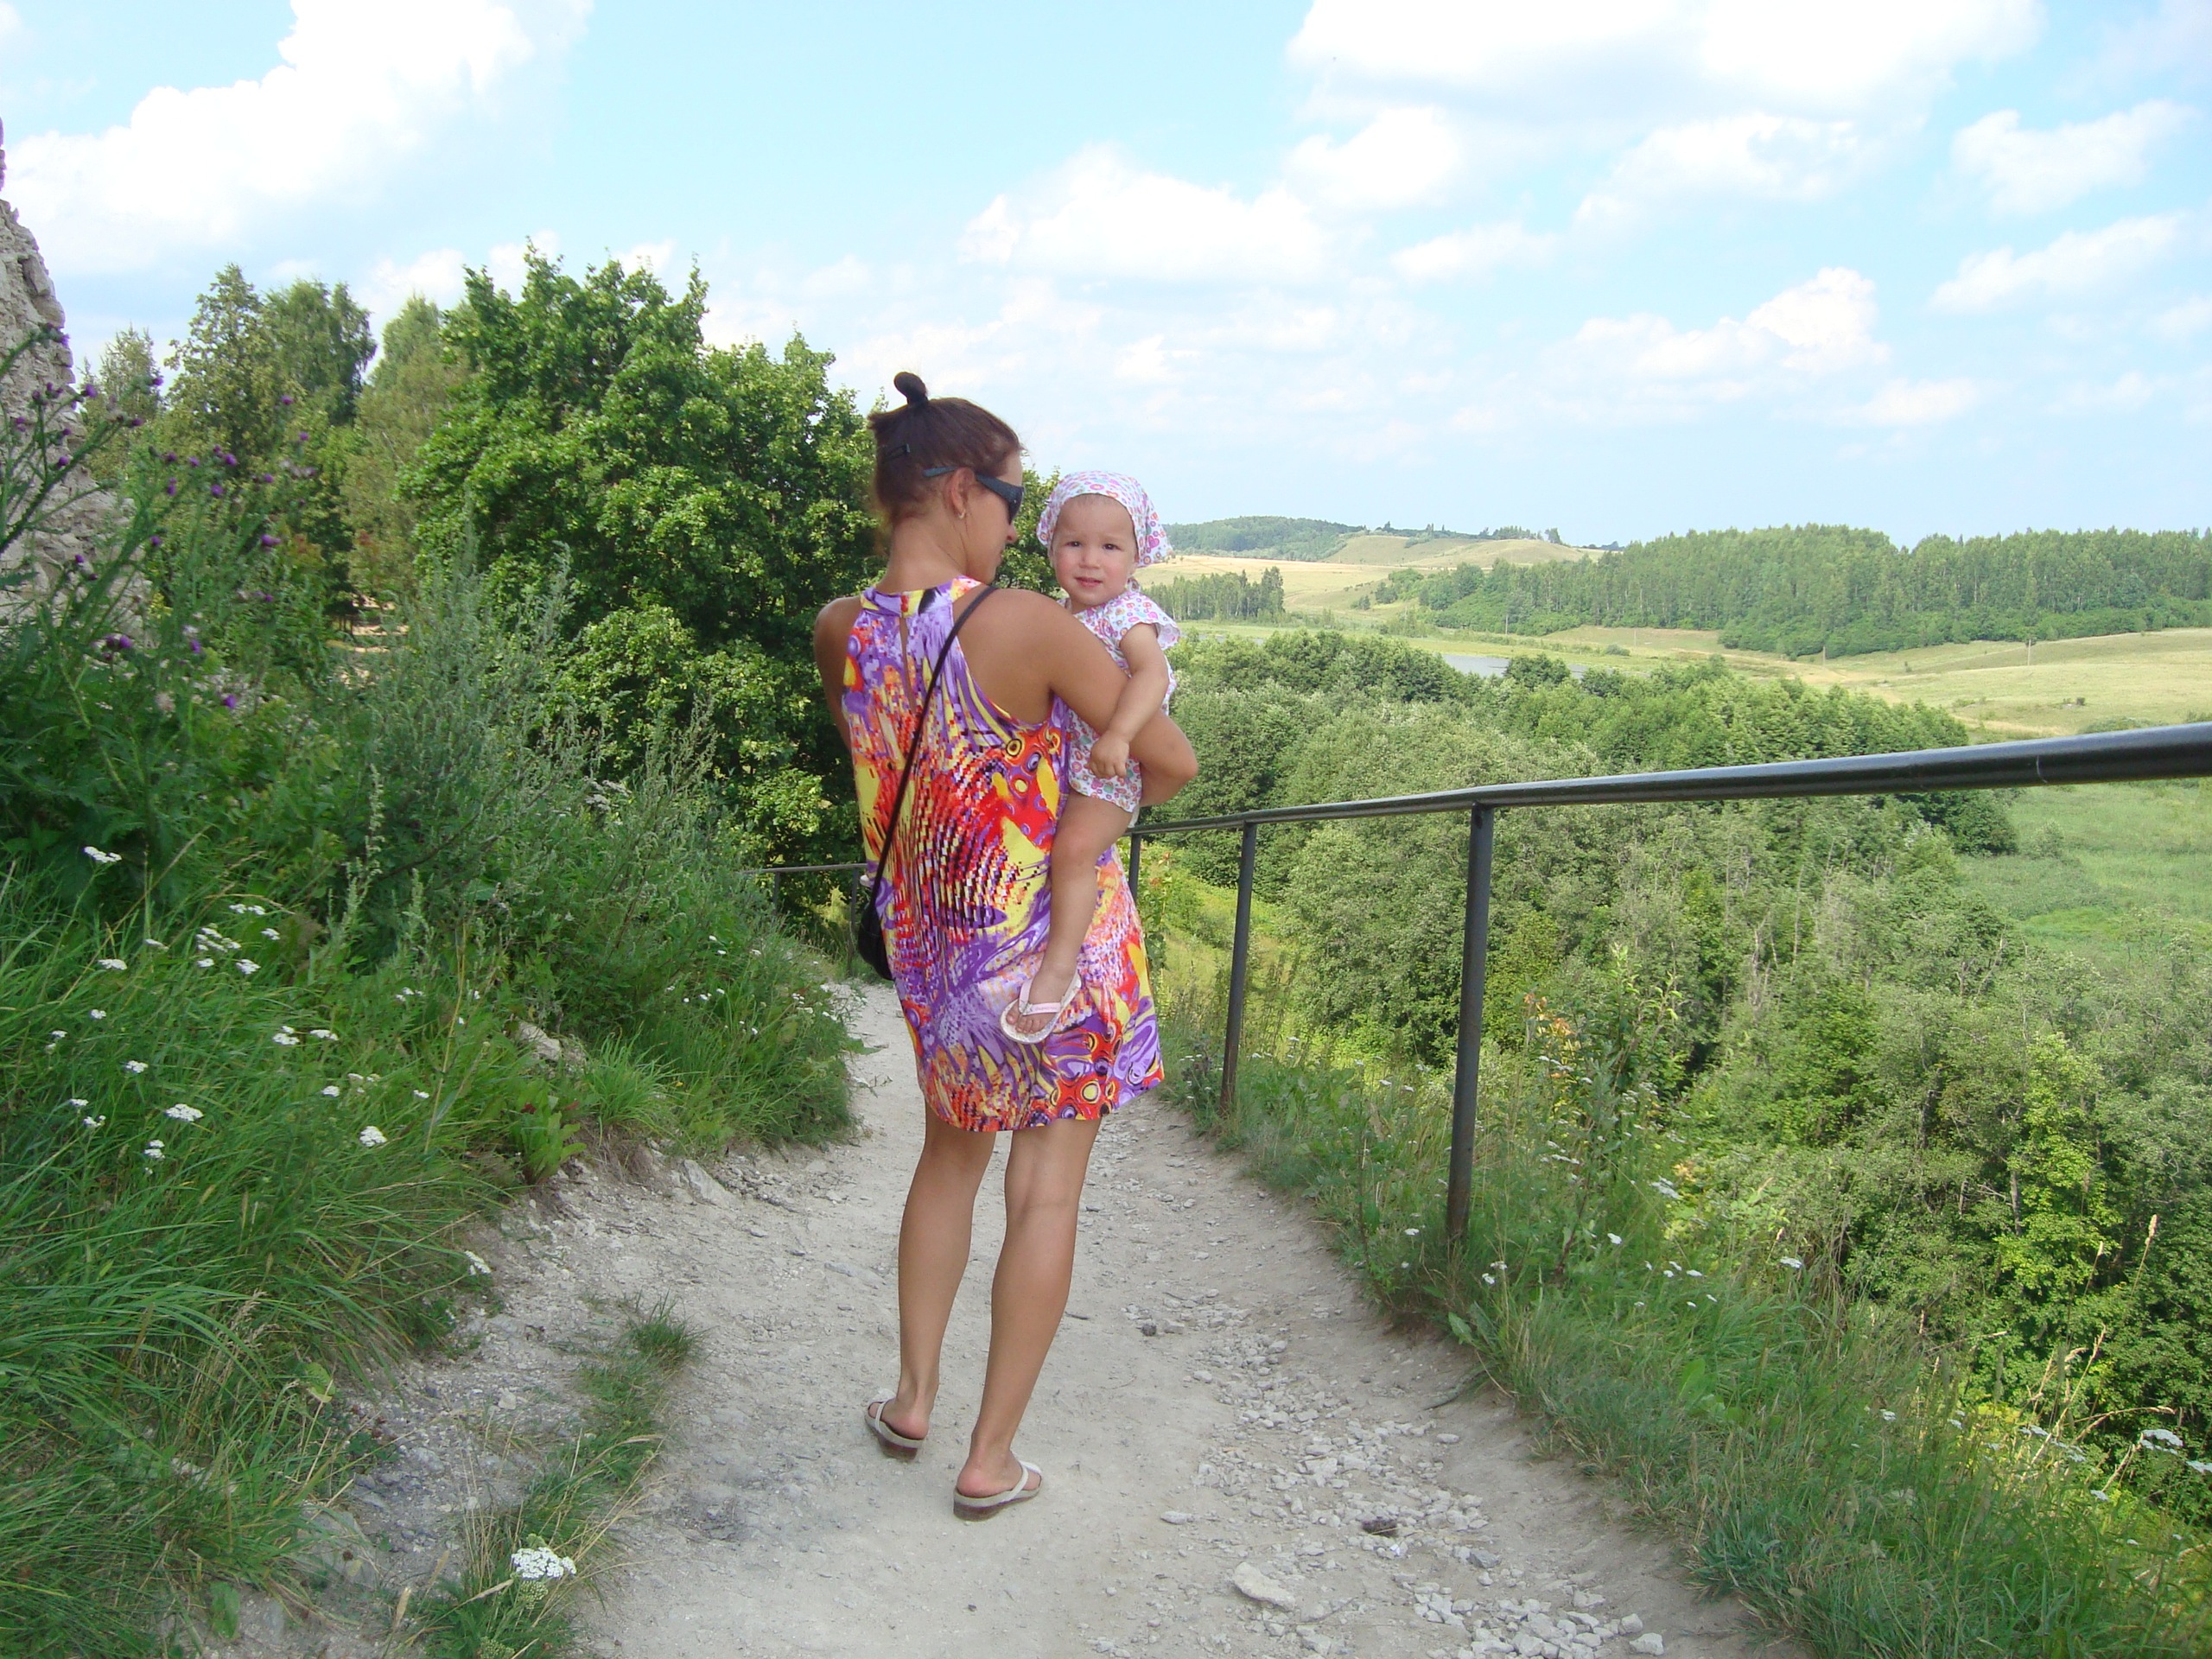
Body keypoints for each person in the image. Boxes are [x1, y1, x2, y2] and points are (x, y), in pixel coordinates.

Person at [810, 372, 1198, 1519]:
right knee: (1045, 1198)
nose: (1020, 525)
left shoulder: (838, 630)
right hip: (1058, 962)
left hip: (939, 958)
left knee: (946, 1164)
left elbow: (905, 772)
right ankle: (989, 1460)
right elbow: (1169, 761)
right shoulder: (1022, 621)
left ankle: (911, 1399)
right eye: (1016, 499)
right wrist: (1091, 798)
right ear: (961, 492)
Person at [1001, 473, 1179, 1043]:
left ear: (1136, 557)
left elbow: (1152, 675)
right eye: (1074, 543)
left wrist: (1120, 734)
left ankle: (1059, 972)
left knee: (1075, 851)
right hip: (1063, 768)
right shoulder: (1059, 616)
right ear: (1051, 545)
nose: (1090, 560)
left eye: (1110, 547)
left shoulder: (1127, 614)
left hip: (1108, 774)